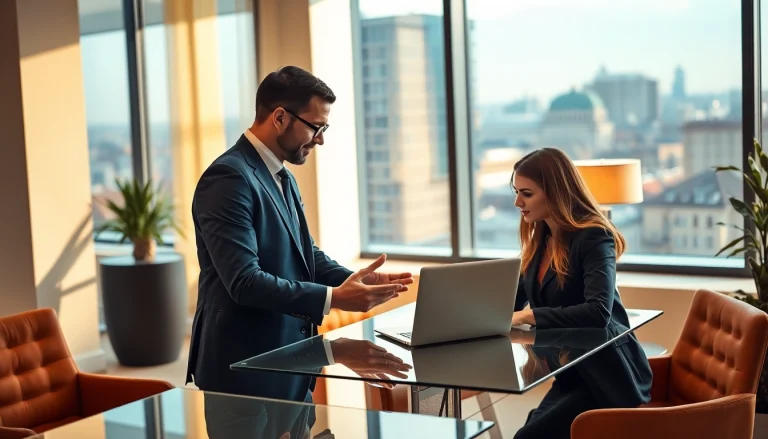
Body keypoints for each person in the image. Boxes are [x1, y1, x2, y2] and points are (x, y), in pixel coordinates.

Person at [185, 65, 413, 402]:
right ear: (279, 118)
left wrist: (354, 280)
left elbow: (305, 255)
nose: (320, 139)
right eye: (315, 127)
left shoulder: (281, 175)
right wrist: (335, 298)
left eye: (325, 128)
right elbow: (244, 282)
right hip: (242, 372)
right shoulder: (228, 179)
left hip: (291, 363)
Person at [508, 148, 652, 439]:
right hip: (570, 374)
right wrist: (475, 316)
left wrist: (530, 315)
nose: (517, 202)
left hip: (606, 379)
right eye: (516, 192)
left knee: (527, 437)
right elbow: (514, 301)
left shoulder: (594, 237)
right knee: (526, 432)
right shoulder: (542, 238)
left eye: (527, 193)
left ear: (555, 193)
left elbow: (599, 312)